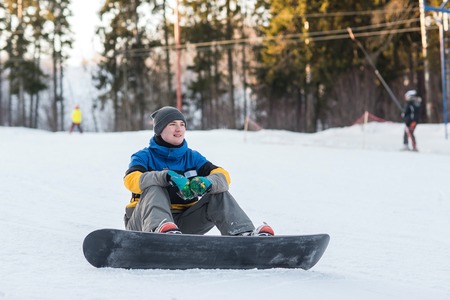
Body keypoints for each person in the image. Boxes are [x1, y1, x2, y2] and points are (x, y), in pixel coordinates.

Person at [123, 106, 274, 236]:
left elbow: (223, 176)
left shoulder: (192, 157)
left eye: (182, 124)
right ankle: (159, 230)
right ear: (160, 129)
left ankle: (243, 233)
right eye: (172, 124)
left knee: (218, 191)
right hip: (143, 222)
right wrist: (165, 177)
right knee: (154, 186)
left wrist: (208, 182)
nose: (179, 129)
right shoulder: (144, 156)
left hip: (183, 224)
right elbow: (131, 180)